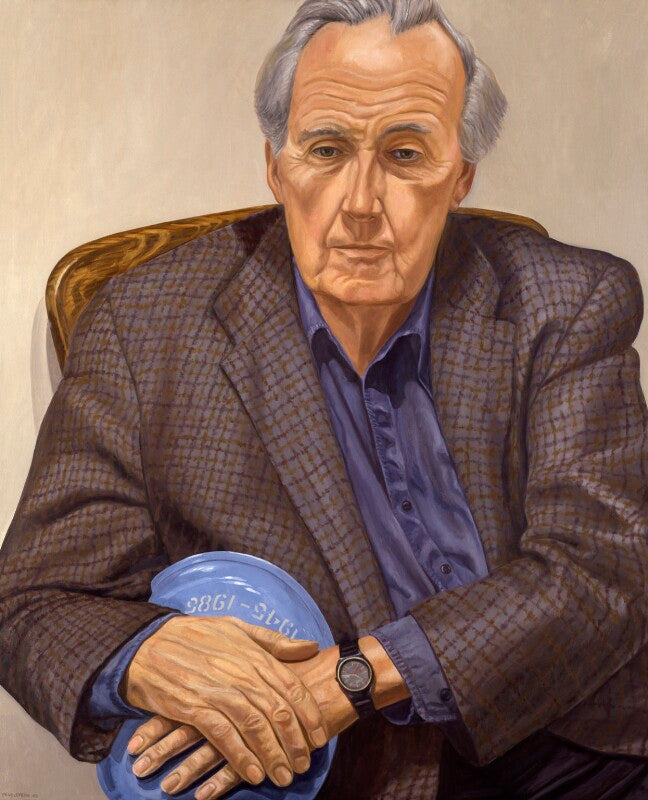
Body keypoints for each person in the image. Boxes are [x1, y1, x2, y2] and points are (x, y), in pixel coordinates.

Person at [1, 1, 647, 798]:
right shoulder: (144, 327)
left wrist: (355, 677)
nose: (361, 203)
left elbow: (603, 569)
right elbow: (31, 600)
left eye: (405, 154)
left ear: (461, 177)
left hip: (571, 738)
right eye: (327, 150)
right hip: (334, 772)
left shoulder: (568, 301)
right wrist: (142, 655)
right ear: (277, 168)